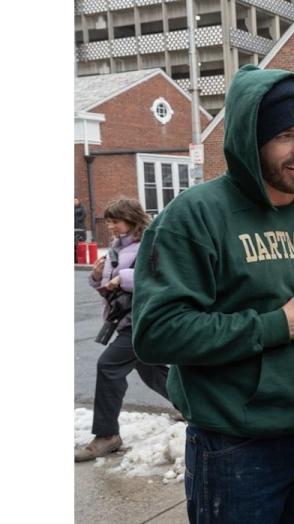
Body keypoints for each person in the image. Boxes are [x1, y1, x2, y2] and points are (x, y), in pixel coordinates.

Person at [132, 66, 294, 523]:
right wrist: (279, 325)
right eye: (285, 135)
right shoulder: (193, 216)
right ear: (249, 139)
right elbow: (156, 332)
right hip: (236, 444)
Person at [75, 198, 169, 462]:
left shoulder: (150, 243)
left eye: (115, 220)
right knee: (151, 370)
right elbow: (108, 289)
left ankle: (107, 436)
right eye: (109, 221)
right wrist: (97, 276)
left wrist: (123, 278)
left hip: (142, 321)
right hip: (123, 320)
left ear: (131, 219)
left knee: (108, 366)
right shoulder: (117, 248)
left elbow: (158, 277)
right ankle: (190, 406)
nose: (111, 226)